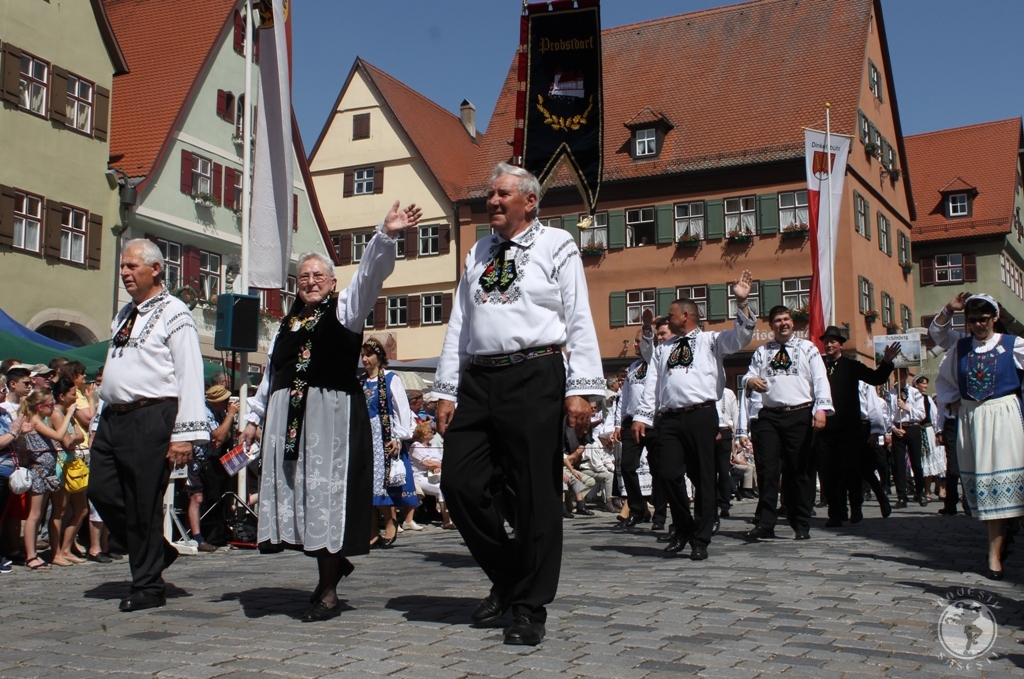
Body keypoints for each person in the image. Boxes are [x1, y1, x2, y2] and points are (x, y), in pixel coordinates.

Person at [434, 163, 604, 646]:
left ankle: (530, 607)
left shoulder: (556, 245)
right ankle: (510, 576)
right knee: (459, 483)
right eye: (490, 194)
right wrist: (447, 388)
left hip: (535, 372)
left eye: (502, 194)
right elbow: (460, 322)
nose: (492, 201)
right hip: (480, 377)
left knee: (534, 493)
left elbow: (578, 315)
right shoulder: (479, 251)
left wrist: (580, 388)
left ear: (529, 201)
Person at [240, 201, 421, 621]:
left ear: (332, 281)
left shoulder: (345, 309)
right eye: (303, 277)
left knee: (326, 496)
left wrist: (385, 235)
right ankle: (331, 570)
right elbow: (273, 372)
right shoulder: (287, 324)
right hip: (289, 420)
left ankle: (328, 592)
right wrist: (253, 417)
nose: (310, 282)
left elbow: (370, 277)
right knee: (302, 495)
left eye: (317, 276)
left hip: (330, 418)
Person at [89, 238, 209, 612]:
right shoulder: (124, 314)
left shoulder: (175, 312)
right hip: (114, 415)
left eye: (132, 266)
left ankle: (148, 586)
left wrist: (185, 435)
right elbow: (116, 368)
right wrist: (99, 418)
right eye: (123, 267)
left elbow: (190, 373)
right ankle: (156, 551)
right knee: (101, 490)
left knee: (143, 501)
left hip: (152, 414)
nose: (125, 273)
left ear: (155, 269)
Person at [632, 276, 757, 560]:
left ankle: (700, 537)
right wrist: (642, 416)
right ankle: (683, 526)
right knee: (667, 472)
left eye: (671, 314)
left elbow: (741, 337)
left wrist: (742, 301)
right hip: (669, 418)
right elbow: (653, 384)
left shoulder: (711, 341)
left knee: (703, 476)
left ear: (685, 316)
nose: (667, 318)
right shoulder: (664, 348)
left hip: (701, 414)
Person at [931, 292, 1024, 579]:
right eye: (972, 320)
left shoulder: (1013, 345)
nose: (978, 325)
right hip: (972, 419)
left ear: (995, 317)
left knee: (1003, 482)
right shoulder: (961, 346)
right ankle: (1000, 537)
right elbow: (937, 335)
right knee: (984, 488)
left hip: (1004, 415)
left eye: (983, 319)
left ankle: (995, 553)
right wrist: (949, 309)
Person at [743, 305, 833, 541]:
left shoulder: (808, 348)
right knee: (767, 470)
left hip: (799, 414)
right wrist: (750, 380)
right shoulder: (763, 351)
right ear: (771, 326)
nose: (783, 323)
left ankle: (800, 522)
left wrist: (821, 409)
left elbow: (820, 379)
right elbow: (749, 373)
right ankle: (765, 522)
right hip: (769, 416)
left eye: (786, 319)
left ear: (792, 323)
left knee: (798, 471)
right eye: (778, 320)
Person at [815, 326, 897, 527]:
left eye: (833, 341)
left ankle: (856, 506)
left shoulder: (851, 365)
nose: (829, 345)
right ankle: (836, 513)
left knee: (851, 470)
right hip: (825, 428)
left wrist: (887, 362)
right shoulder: (818, 366)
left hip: (849, 428)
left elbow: (876, 378)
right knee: (829, 472)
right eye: (826, 341)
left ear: (840, 345)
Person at [361, 338, 417, 546]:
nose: (365, 359)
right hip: (365, 436)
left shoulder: (390, 379)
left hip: (384, 436)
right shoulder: (361, 381)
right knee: (366, 483)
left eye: (368, 355)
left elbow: (402, 409)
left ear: (379, 357)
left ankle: (390, 523)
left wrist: (398, 437)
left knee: (382, 483)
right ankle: (371, 530)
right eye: (363, 355)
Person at [16, 389, 77, 570]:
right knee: (34, 515)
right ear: (39, 407)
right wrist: (68, 415)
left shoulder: (41, 421)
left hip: (46, 473)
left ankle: (33, 553)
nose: (52, 408)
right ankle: (31, 555)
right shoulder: (35, 420)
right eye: (50, 405)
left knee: (40, 514)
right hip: (39, 473)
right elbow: (59, 435)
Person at [611, 314, 655, 528]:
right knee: (628, 467)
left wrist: (647, 327)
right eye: (636, 342)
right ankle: (638, 509)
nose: (636, 345)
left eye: (639, 341)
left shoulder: (657, 364)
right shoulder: (633, 368)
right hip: (631, 421)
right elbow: (625, 398)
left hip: (652, 421)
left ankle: (660, 511)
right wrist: (619, 424)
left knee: (659, 468)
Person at [187, 385, 239, 552]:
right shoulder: (205, 411)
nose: (227, 404)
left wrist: (221, 433)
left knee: (214, 498)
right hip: (197, 461)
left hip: (213, 460)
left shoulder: (220, 412)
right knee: (197, 498)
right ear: (215, 402)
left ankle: (215, 533)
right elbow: (218, 435)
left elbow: (225, 435)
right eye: (224, 401)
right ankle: (197, 537)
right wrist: (230, 415)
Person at [49, 377, 89, 566]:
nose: (75, 398)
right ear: (62, 396)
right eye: (73, 394)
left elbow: (80, 436)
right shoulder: (57, 414)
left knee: (81, 509)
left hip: (73, 463)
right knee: (60, 509)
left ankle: (66, 548)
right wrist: (72, 437)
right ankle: (56, 552)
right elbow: (67, 441)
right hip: (61, 465)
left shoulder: (68, 413)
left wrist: (72, 436)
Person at [888, 367, 927, 508]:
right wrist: (893, 429)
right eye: (895, 373)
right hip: (898, 428)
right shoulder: (891, 394)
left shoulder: (915, 393)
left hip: (912, 427)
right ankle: (901, 496)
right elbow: (887, 414)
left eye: (901, 373)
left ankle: (920, 492)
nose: (898, 376)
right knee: (898, 464)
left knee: (916, 462)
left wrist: (906, 408)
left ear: (906, 374)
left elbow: (921, 414)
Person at [409, 422, 454, 529]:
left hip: (434, 475)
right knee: (441, 489)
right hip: (419, 477)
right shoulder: (416, 446)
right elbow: (427, 463)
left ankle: (451, 518)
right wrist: (441, 466)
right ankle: (446, 520)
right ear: (424, 434)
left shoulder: (432, 446)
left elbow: (439, 460)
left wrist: (438, 467)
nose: (433, 433)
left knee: (451, 485)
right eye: (430, 431)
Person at [715, 387, 738, 519]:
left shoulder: (728, 393)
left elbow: (735, 415)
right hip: (712, 431)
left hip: (724, 431)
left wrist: (736, 437)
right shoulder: (707, 389)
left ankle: (724, 503)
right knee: (714, 469)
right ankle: (719, 502)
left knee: (723, 470)